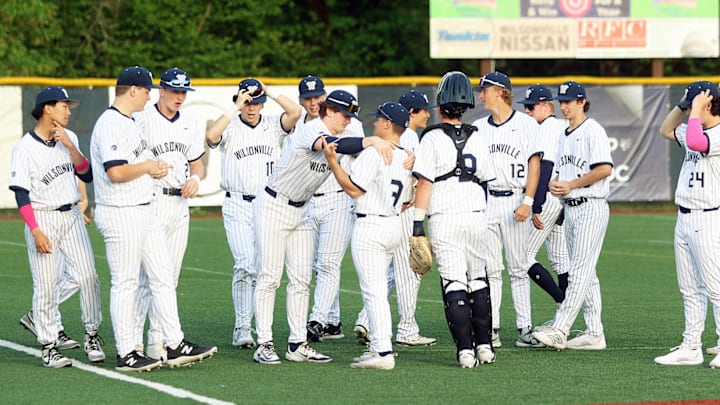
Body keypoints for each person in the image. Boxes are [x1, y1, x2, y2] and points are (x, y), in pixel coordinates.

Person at [252, 90, 395, 365]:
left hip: (302, 208)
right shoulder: (310, 129)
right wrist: (371, 140)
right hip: (274, 205)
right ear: (328, 111)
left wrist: (403, 156)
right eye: (344, 114)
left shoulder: (342, 137)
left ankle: (297, 344)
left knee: (302, 279)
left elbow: (359, 162)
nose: (347, 120)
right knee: (270, 277)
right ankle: (264, 343)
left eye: (350, 116)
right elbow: (332, 145)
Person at [91, 66, 217, 372]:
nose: (149, 95)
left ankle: (174, 344)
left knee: (163, 278)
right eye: (147, 90)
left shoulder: (129, 122)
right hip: (121, 211)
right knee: (126, 283)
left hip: (144, 208)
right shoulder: (110, 123)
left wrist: (153, 167)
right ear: (132, 90)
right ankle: (127, 352)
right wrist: (149, 167)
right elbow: (115, 171)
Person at [9, 86, 104, 367]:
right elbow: (21, 193)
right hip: (43, 217)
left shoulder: (69, 137)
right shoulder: (25, 148)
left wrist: (71, 148)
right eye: (63, 105)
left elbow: (85, 172)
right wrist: (35, 229)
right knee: (47, 286)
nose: (68, 110)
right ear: (47, 108)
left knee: (88, 276)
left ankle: (92, 335)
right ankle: (49, 345)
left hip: (72, 215)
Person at [206, 77, 301, 350]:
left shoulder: (272, 125)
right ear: (239, 101)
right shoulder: (230, 124)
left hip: (266, 204)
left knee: (262, 267)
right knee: (245, 262)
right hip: (237, 203)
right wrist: (234, 108)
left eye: (256, 102)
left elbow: (295, 113)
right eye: (247, 102)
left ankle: (258, 325)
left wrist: (268, 93)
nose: (252, 107)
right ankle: (242, 326)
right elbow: (212, 137)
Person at [412, 71, 495, 368]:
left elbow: (424, 184)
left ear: (440, 104)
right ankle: (485, 346)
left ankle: (464, 351)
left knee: (454, 283)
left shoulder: (431, 138)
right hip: (475, 213)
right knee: (478, 280)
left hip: (445, 216)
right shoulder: (478, 136)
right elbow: (486, 178)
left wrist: (417, 223)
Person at [323, 101, 414, 369]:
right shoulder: (406, 155)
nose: (374, 123)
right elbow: (408, 199)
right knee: (377, 290)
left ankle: (383, 352)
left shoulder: (375, 153)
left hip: (371, 225)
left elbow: (353, 189)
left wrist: (332, 162)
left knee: (373, 292)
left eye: (378, 120)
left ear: (387, 124)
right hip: (394, 224)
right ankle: (378, 347)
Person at [532, 81, 613, 351]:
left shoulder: (593, 130)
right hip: (571, 207)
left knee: (578, 269)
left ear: (582, 102)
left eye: (570, 101)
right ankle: (594, 332)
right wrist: (558, 183)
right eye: (562, 101)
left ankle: (561, 328)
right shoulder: (565, 134)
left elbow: (603, 169)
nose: (564, 106)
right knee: (587, 273)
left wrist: (572, 184)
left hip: (591, 205)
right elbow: (563, 173)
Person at [353, 90, 437, 347]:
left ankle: (367, 320)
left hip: (385, 208)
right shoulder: (409, 136)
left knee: (387, 271)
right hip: (400, 210)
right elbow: (415, 179)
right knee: (408, 270)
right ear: (411, 113)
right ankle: (406, 329)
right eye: (423, 110)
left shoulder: (400, 139)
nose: (428, 114)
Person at [133, 67, 206, 360]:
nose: (180, 97)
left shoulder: (189, 121)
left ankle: (157, 342)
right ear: (161, 90)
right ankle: (133, 345)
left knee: (169, 278)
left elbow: (197, 164)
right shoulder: (142, 118)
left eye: (184, 92)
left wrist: (196, 180)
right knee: (145, 279)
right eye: (175, 91)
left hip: (179, 204)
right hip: (152, 201)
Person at [472, 71, 541, 348]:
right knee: (491, 269)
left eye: (485, 90)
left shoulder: (526, 123)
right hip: (487, 199)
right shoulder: (479, 126)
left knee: (518, 267)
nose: (481, 95)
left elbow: (534, 164)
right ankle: (493, 327)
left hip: (515, 199)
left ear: (500, 91)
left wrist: (528, 200)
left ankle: (524, 327)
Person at [654, 82, 720, 367]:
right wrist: (683, 106)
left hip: (708, 216)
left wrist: (693, 111)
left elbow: (695, 143)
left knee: (715, 286)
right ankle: (691, 346)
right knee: (689, 287)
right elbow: (666, 130)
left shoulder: (716, 132)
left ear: (707, 104)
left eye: (694, 102)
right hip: (684, 216)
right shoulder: (695, 126)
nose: (690, 107)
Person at [300, 76, 362, 342]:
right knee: (314, 265)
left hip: (338, 199)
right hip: (308, 198)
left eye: (318, 97)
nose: (314, 102)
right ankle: (333, 321)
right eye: (309, 98)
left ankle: (317, 319)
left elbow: (357, 153)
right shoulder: (302, 126)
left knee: (328, 263)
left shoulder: (353, 125)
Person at [517, 85, 570, 316]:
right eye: (526, 107)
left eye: (531, 107)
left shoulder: (548, 127)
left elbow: (545, 166)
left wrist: (535, 205)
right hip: (560, 199)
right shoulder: (561, 126)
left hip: (547, 199)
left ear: (547, 106)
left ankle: (564, 303)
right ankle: (563, 317)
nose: (527, 111)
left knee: (523, 257)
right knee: (561, 259)